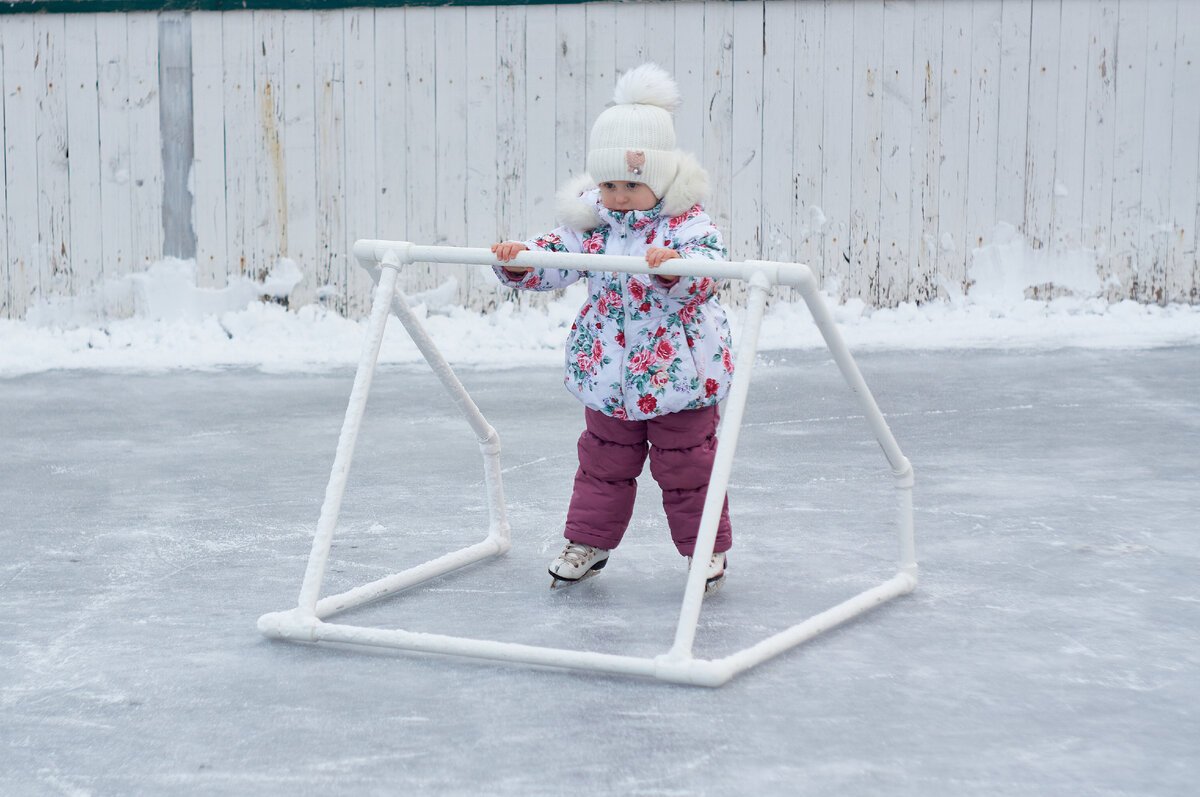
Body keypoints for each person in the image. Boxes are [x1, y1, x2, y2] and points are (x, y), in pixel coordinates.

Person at [491, 63, 734, 596]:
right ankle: (589, 542)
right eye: (609, 184)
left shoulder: (688, 224)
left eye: (632, 184)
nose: (618, 196)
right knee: (601, 465)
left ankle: (704, 550)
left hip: (679, 380)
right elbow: (555, 258)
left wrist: (676, 266)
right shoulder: (593, 226)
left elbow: (708, 272)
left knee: (687, 468)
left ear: (663, 178)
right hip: (609, 376)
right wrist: (520, 260)